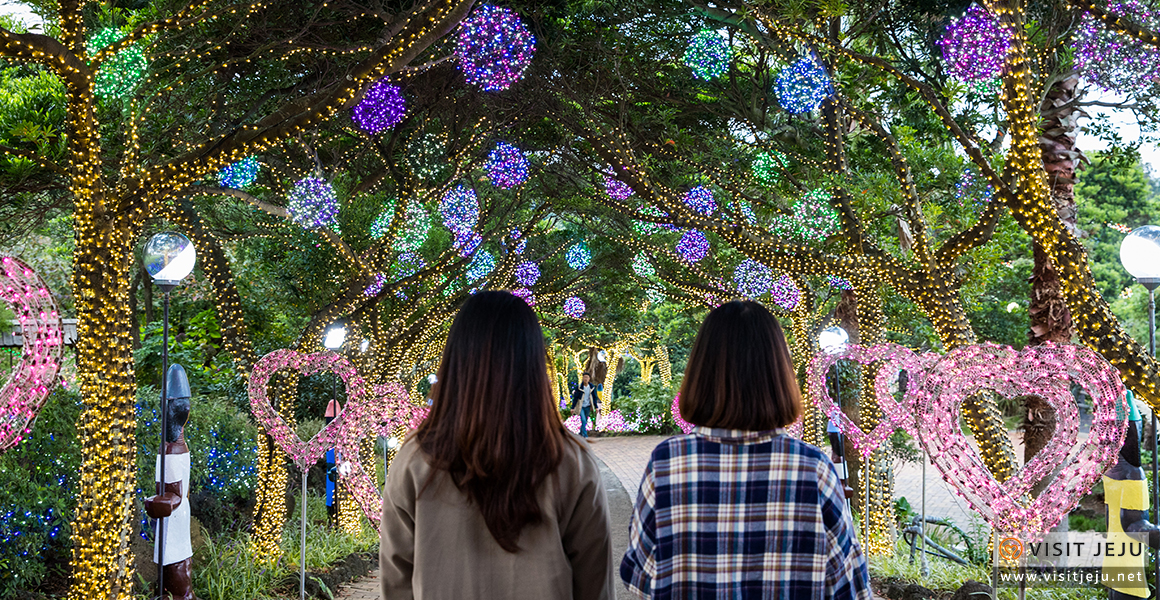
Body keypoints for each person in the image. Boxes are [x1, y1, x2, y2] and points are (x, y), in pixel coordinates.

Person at [620, 301, 871, 599]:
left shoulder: (668, 463)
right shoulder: (813, 469)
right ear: (779, 374)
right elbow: (850, 587)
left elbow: (640, 576)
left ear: (701, 372)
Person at [380, 290, 615, 600]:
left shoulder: (413, 461)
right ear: (533, 365)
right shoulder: (570, 461)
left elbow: (396, 585)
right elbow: (595, 586)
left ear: (454, 363)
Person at [571, 372, 601, 438]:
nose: (585, 379)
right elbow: (575, 398)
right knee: (583, 420)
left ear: (589, 378)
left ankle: (581, 433)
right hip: (581, 406)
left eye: (587, 377)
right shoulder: (579, 387)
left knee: (585, 421)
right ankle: (585, 436)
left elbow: (594, 397)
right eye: (584, 377)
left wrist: (596, 407)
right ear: (582, 378)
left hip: (588, 406)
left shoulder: (592, 387)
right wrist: (572, 408)